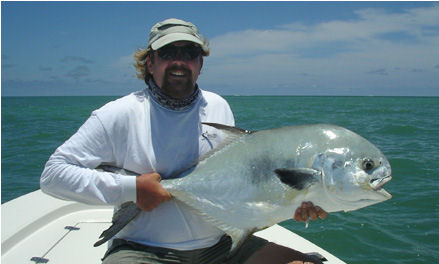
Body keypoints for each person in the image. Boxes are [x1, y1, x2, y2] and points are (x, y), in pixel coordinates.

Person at [40, 18, 327, 264]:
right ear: (150, 62)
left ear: (200, 64)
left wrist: (294, 203)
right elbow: (53, 175)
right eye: (167, 52)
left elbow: (236, 185)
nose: (179, 61)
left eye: (189, 52)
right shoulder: (118, 114)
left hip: (220, 246)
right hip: (142, 250)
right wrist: (132, 188)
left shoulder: (218, 107)